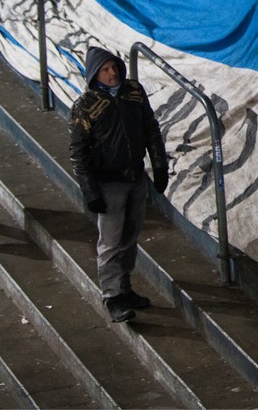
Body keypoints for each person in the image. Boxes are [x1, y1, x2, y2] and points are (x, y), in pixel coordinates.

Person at [68, 46, 169, 322]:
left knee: (130, 237)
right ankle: (112, 296)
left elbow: (150, 128)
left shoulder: (133, 92)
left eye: (114, 67)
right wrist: (90, 191)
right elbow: (79, 153)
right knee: (110, 242)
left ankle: (125, 287)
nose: (112, 73)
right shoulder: (85, 107)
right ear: (94, 74)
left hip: (135, 177)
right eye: (105, 69)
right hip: (108, 184)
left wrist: (159, 165)